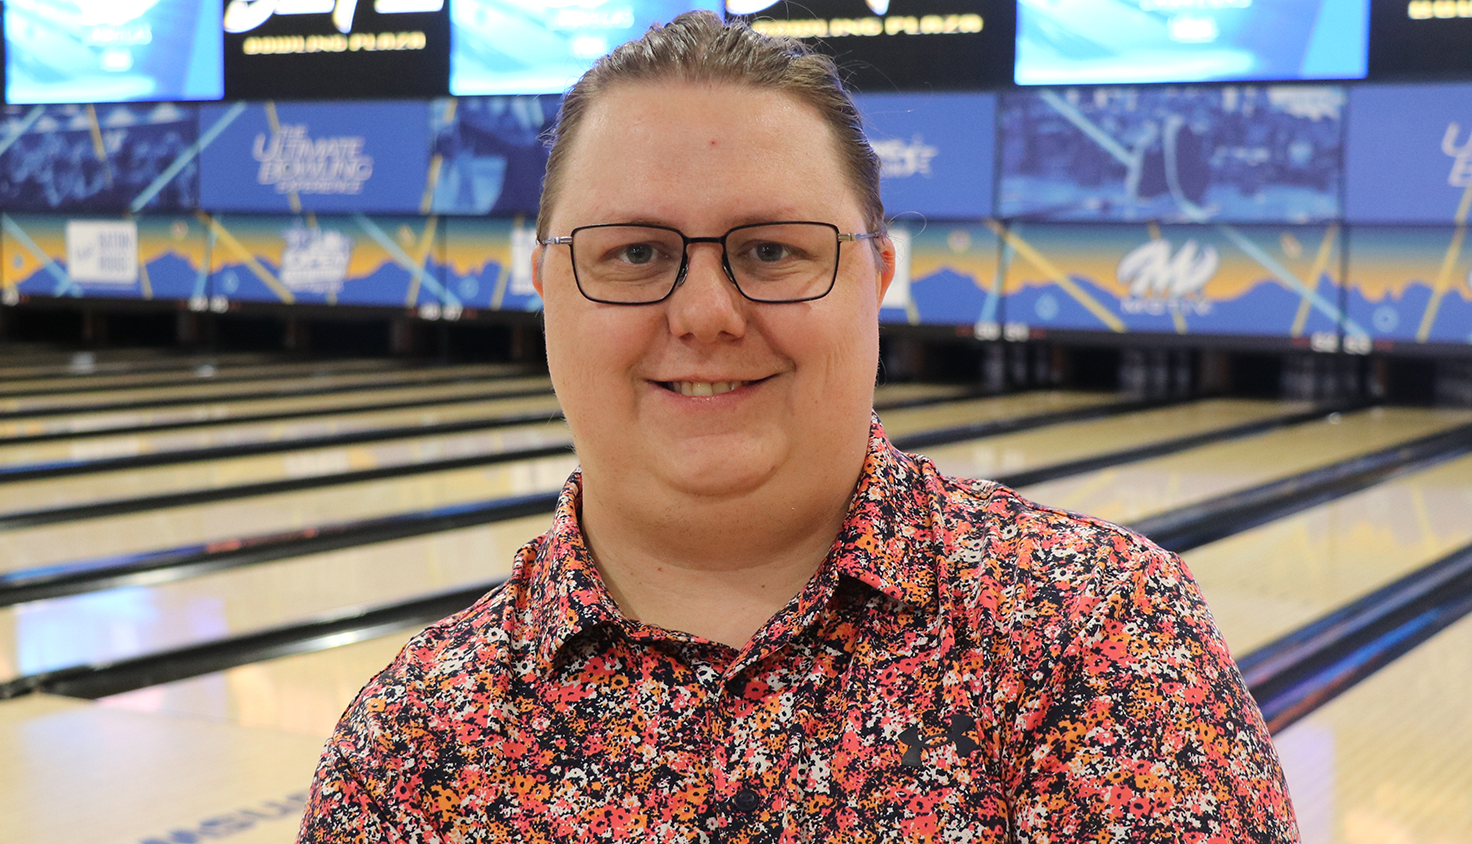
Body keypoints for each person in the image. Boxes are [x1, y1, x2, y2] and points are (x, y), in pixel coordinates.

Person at [299, 12, 1299, 842]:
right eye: (635, 253)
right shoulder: (410, 749)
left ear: (878, 276)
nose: (703, 312)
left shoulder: (1105, 636)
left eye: (773, 250)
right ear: (546, 286)